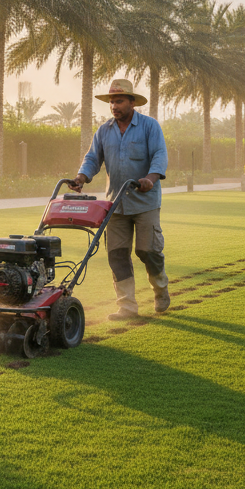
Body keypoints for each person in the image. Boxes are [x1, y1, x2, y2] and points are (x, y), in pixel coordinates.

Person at [69, 78, 170, 319]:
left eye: (120, 101)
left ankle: (160, 289)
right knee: (117, 254)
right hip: (116, 203)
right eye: (112, 102)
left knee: (148, 251)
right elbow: (93, 158)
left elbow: (159, 155)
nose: (115, 106)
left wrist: (150, 178)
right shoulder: (104, 130)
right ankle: (126, 306)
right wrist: (82, 177)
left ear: (132, 102)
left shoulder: (149, 126)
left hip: (145, 202)